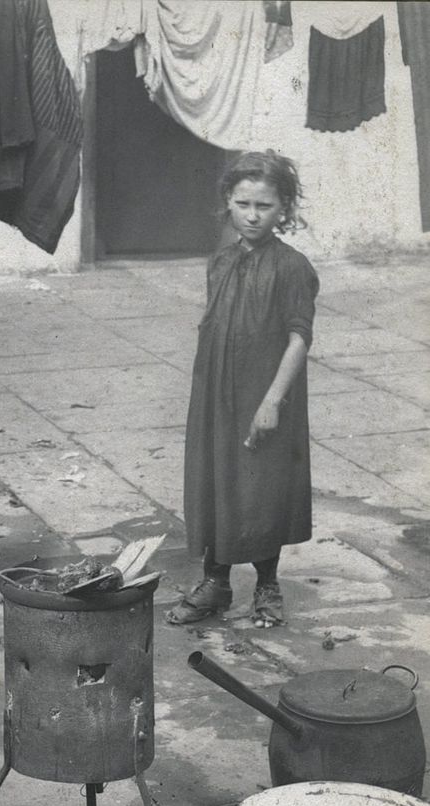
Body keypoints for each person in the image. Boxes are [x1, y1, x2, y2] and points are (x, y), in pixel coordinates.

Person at [166, 150, 319, 629]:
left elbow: (299, 337)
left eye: (265, 206)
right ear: (227, 203)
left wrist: (271, 401)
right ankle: (215, 582)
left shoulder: (292, 267)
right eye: (243, 203)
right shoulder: (221, 262)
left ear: (284, 210)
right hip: (216, 394)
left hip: (265, 394)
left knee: (262, 486)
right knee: (217, 480)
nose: (252, 216)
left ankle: (267, 585)